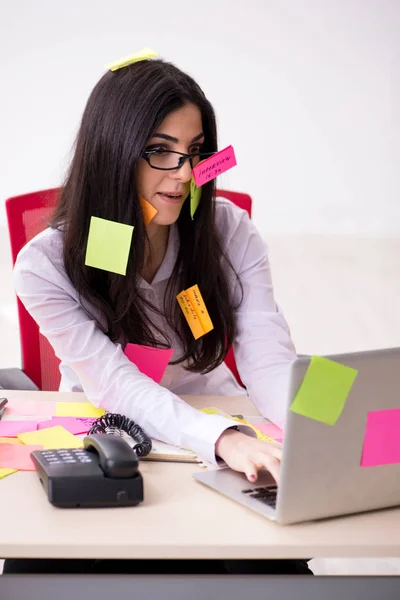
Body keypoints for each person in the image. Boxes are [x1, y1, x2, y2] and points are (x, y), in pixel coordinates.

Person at [6, 55, 311, 576]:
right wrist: (221, 440)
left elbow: (267, 351)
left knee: (278, 566)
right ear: (114, 154)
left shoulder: (226, 228)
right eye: (159, 152)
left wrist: (325, 425)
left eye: (195, 153)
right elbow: (116, 385)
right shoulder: (44, 266)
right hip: (114, 436)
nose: (186, 176)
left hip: (218, 424)